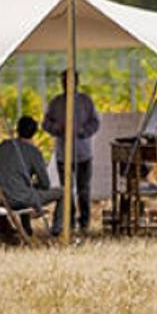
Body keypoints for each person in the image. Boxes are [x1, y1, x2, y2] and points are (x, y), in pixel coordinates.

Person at [43, 70, 101, 234]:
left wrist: (83, 131)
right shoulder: (56, 102)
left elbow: (96, 122)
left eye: (69, 81)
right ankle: (69, 221)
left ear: (77, 82)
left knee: (84, 190)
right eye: (63, 81)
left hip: (83, 154)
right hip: (63, 154)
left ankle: (84, 222)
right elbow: (45, 123)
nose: (66, 84)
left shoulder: (85, 101)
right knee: (66, 190)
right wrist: (57, 128)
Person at [0, 116, 59, 215]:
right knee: (62, 192)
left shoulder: (2, 146)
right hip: (21, 199)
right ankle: (58, 228)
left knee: (25, 188)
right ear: (34, 133)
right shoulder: (34, 152)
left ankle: (26, 227)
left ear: (17, 129)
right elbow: (45, 184)